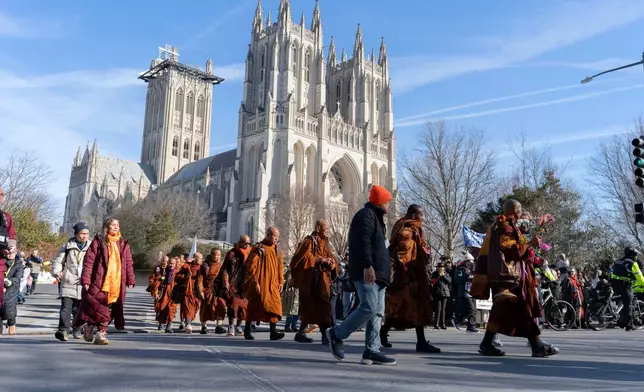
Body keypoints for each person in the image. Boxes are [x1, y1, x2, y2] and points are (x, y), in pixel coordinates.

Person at [477, 199, 559, 357]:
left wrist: (532, 251)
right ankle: (536, 345)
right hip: (511, 277)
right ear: (515, 210)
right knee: (522, 307)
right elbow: (512, 250)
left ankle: (488, 343)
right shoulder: (504, 226)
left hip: (513, 276)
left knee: (504, 310)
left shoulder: (509, 225)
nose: (521, 213)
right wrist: (531, 244)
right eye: (520, 210)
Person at [326, 185, 396, 366]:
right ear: (380, 202)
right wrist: (367, 265)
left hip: (379, 274)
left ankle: (371, 351)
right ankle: (337, 334)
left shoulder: (377, 219)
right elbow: (362, 242)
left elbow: (379, 248)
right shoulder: (365, 216)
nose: (389, 204)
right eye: (388, 201)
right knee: (369, 307)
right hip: (367, 272)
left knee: (377, 314)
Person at [380, 204, 440, 353]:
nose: (423, 218)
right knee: (410, 307)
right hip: (408, 277)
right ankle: (418, 341)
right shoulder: (407, 230)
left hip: (413, 276)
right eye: (421, 215)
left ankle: (387, 332)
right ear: (414, 216)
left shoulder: (412, 228)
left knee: (406, 307)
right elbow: (402, 251)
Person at [73, 217, 136, 345]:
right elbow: (89, 261)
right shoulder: (99, 241)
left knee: (110, 308)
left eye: (117, 225)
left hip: (117, 282)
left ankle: (101, 333)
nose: (115, 227)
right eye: (113, 225)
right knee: (97, 307)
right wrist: (86, 279)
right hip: (100, 280)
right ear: (106, 227)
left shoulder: (123, 243)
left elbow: (128, 263)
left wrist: (130, 278)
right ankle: (90, 328)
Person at [289, 219, 338, 344]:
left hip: (322, 281)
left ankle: (302, 334)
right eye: (325, 228)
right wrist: (321, 260)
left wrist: (332, 263)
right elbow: (300, 258)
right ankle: (325, 336)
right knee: (318, 308)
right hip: (311, 280)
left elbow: (330, 256)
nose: (328, 231)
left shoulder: (325, 242)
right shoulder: (309, 240)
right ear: (318, 228)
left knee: (319, 308)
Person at [243, 226, 285, 341]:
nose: (275, 239)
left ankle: (273, 332)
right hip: (261, 283)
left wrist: (281, 282)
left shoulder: (277, 249)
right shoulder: (259, 248)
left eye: (277, 237)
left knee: (274, 306)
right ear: (267, 235)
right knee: (254, 306)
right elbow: (252, 267)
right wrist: (255, 282)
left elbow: (280, 267)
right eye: (273, 236)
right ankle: (247, 330)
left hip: (274, 284)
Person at [52, 221, 91, 342]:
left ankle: (77, 328)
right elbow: (58, 260)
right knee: (66, 307)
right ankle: (63, 330)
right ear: (76, 234)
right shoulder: (67, 246)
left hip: (83, 282)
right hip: (69, 279)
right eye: (82, 233)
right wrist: (57, 271)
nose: (84, 236)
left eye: (86, 233)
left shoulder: (92, 246)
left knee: (79, 309)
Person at [216, 235, 252, 336]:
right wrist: (225, 281)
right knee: (232, 304)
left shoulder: (250, 253)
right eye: (245, 243)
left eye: (249, 243)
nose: (247, 245)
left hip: (244, 284)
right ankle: (231, 325)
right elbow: (225, 268)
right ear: (240, 242)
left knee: (243, 306)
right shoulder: (232, 253)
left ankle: (239, 326)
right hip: (233, 282)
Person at [610, 247, 644, 330]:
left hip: (614, 283)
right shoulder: (633, 263)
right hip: (624, 284)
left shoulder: (618, 261)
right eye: (636, 255)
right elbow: (639, 277)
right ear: (632, 255)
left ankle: (619, 317)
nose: (636, 257)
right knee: (629, 303)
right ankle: (626, 323)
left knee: (622, 302)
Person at [174, 252, 205, 334]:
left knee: (194, 309)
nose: (200, 260)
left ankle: (188, 322)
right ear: (194, 258)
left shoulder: (202, 268)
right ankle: (188, 325)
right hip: (187, 291)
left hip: (197, 292)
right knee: (188, 308)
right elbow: (177, 277)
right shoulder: (186, 266)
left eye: (201, 258)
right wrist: (186, 276)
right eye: (199, 258)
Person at [200, 248, 227, 334]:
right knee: (205, 309)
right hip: (207, 290)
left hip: (218, 291)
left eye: (219, 255)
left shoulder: (221, 265)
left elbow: (225, 277)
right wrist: (200, 290)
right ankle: (204, 327)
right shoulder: (205, 266)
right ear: (212, 255)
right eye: (216, 255)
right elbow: (200, 279)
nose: (218, 257)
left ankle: (219, 326)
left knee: (221, 306)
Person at [452, 252, 478, 333]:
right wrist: (467, 277)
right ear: (465, 262)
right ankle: (457, 319)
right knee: (470, 309)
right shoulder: (460, 270)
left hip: (472, 291)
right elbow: (457, 279)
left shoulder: (472, 271)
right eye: (468, 262)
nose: (470, 264)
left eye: (471, 263)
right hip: (464, 292)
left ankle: (471, 326)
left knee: (474, 310)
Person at [0, 185, 16, 308]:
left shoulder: (6, 217)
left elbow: (11, 237)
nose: (0, 197)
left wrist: (11, 250)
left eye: (1, 195)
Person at [1, 240, 22, 335]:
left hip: (12, 289)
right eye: (8, 252)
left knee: (10, 310)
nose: (10, 254)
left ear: (16, 251)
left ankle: (11, 325)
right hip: (1, 288)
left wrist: (9, 282)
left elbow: (18, 278)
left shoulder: (18, 263)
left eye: (12, 252)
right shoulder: (1, 261)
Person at [156, 257, 179, 333]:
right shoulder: (163, 271)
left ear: (175, 264)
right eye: (170, 263)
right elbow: (157, 281)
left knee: (171, 309)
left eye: (173, 264)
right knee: (163, 308)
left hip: (173, 293)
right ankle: (161, 323)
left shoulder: (178, 272)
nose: (171, 265)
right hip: (164, 292)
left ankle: (169, 326)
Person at [431, 262, 451, 330]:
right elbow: (433, 282)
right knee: (438, 309)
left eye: (442, 267)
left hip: (445, 293)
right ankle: (436, 324)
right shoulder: (434, 274)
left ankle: (443, 324)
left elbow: (449, 281)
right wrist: (439, 276)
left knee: (443, 309)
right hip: (437, 293)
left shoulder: (446, 274)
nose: (441, 268)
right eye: (439, 267)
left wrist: (443, 276)